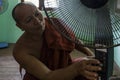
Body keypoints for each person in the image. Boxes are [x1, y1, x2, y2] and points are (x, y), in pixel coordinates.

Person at [12, 2, 102, 80]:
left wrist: (91, 54)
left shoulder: (55, 23)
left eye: (37, 14)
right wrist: (76, 69)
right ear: (20, 26)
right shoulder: (20, 51)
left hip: (65, 68)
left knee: (89, 71)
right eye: (29, 20)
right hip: (42, 77)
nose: (37, 21)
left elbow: (74, 40)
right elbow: (47, 76)